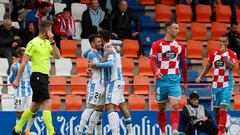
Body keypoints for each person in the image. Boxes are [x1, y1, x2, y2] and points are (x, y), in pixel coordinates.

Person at [11, 21, 61, 135]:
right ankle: (51, 132)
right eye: (51, 29)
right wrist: (17, 79)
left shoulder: (49, 43)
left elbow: (58, 56)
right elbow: (23, 63)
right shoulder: (33, 43)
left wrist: (53, 41)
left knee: (34, 107)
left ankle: (17, 129)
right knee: (47, 104)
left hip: (44, 77)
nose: (52, 32)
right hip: (37, 76)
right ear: (47, 30)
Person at [88, 31, 133, 135]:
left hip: (114, 80)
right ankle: (131, 132)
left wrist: (96, 64)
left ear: (102, 39)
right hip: (117, 80)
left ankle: (115, 132)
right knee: (122, 106)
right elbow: (121, 43)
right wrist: (116, 45)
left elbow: (111, 63)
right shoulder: (111, 45)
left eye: (100, 40)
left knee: (109, 107)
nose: (99, 42)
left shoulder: (108, 47)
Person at [150, 20, 188, 135]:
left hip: (174, 80)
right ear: (168, 29)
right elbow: (152, 61)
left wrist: (185, 81)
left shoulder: (180, 46)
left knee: (175, 105)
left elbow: (184, 65)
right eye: (175, 28)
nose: (178, 30)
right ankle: (163, 132)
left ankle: (175, 131)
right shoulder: (157, 44)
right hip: (161, 80)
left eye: (178, 28)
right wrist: (156, 72)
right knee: (161, 108)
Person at [196, 34, 237, 135]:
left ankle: (219, 132)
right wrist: (200, 76)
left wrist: (224, 56)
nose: (221, 43)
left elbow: (231, 66)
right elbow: (207, 67)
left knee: (223, 106)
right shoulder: (213, 54)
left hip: (227, 84)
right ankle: (222, 130)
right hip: (215, 85)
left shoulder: (232, 54)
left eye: (224, 41)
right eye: (220, 41)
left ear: (227, 43)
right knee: (216, 111)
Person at [77, 34, 106, 135]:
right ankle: (79, 131)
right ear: (93, 43)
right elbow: (99, 65)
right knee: (90, 107)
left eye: (100, 41)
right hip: (96, 83)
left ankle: (96, 133)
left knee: (99, 110)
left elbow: (84, 55)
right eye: (98, 42)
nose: (101, 43)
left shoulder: (95, 52)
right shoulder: (92, 54)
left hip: (102, 84)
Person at [9, 47, 34, 135]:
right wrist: (15, 74)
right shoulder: (14, 66)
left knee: (33, 112)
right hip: (19, 93)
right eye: (20, 54)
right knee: (19, 113)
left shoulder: (32, 65)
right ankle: (18, 131)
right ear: (19, 55)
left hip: (30, 92)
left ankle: (27, 130)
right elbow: (11, 81)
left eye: (24, 54)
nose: (22, 55)